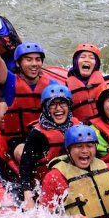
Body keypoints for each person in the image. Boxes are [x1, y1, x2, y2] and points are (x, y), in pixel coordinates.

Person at [0, 4, 51, 163]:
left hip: (43, 135)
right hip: (19, 140)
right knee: (24, 153)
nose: (34, 64)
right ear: (19, 63)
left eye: (37, 60)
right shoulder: (10, 80)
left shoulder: (51, 84)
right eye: (28, 60)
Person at [19, 82, 80, 210]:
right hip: (49, 187)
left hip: (75, 181)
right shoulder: (37, 135)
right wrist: (28, 194)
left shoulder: (78, 126)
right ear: (46, 108)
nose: (58, 109)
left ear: (69, 106)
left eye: (63, 103)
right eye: (53, 104)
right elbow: (25, 166)